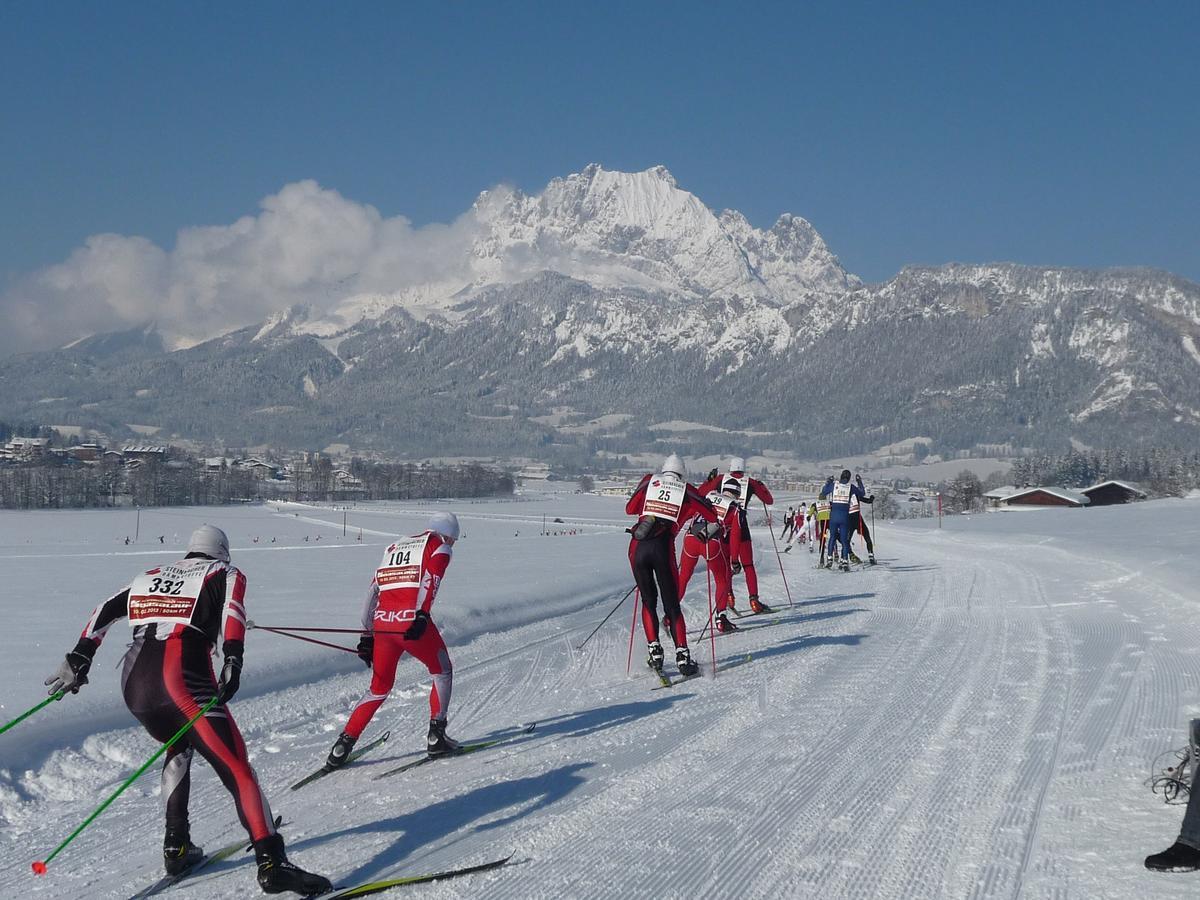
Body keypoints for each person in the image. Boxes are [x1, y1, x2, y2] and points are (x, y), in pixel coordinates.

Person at [43, 525, 330, 896]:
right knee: (237, 767)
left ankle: (176, 845)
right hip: (182, 682)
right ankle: (272, 862)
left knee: (179, 745)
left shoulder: (152, 576)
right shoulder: (224, 573)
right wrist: (233, 658)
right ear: (222, 552)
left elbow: (104, 611)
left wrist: (80, 655)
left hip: (136, 688)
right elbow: (233, 610)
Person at [327, 512, 462, 766]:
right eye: (454, 539)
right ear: (447, 534)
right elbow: (430, 581)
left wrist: (367, 636)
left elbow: (373, 591)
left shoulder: (395, 546)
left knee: (378, 688)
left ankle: (341, 746)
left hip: (383, 627)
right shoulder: (439, 547)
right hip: (411, 624)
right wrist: (421, 615)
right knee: (442, 670)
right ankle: (436, 736)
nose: (453, 545)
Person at [626, 455, 716, 676]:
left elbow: (630, 509)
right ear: (682, 473)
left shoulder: (649, 480)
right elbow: (711, 514)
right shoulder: (685, 489)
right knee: (672, 606)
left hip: (637, 546)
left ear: (663, 470)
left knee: (648, 601)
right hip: (663, 548)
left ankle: (654, 651)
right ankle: (682, 656)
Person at [698, 456, 775, 614]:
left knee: (726, 564)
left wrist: (708, 480)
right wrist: (761, 485)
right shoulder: (751, 482)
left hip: (723, 527)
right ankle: (754, 600)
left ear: (730, 467)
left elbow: (701, 494)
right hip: (741, 523)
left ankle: (729, 596)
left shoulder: (720, 479)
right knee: (748, 565)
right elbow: (768, 500)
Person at [677, 480, 744, 634]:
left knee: (683, 577)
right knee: (722, 579)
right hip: (711, 542)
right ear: (738, 494)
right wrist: (734, 560)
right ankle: (721, 618)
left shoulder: (709, 497)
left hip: (690, 538)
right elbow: (735, 536)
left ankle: (669, 617)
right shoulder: (735, 508)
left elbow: (688, 514)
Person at [820, 469, 865, 571]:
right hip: (845, 516)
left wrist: (828, 482)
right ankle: (845, 561)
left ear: (840, 476)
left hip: (834, 516)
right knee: (844, 540)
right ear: (849, 478)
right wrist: (859, 481)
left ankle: (830, 558)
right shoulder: (850, 487)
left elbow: (823, 492)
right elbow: (862, 493)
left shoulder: (834, 485)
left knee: (832, 537)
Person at [848, 474, 877, 564]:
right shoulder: (857, 495)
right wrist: (871, 498)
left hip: (848, 519)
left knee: (846, 540)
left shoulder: (844, 497)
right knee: (866, 536)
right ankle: (871, 555)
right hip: (857, 518)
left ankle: (849, 555)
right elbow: (868, 501)